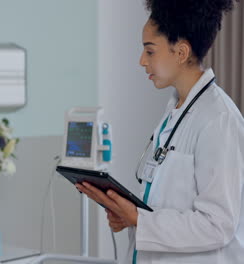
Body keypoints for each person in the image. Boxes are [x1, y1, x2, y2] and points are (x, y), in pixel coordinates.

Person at [76, 0, 244, 263]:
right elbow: (167, 204)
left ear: (181, 52)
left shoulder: (219, 119)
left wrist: (139, 219)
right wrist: (128, 216)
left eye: (150, 51)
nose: (142, 61)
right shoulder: (175, 111)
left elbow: (218, 225)